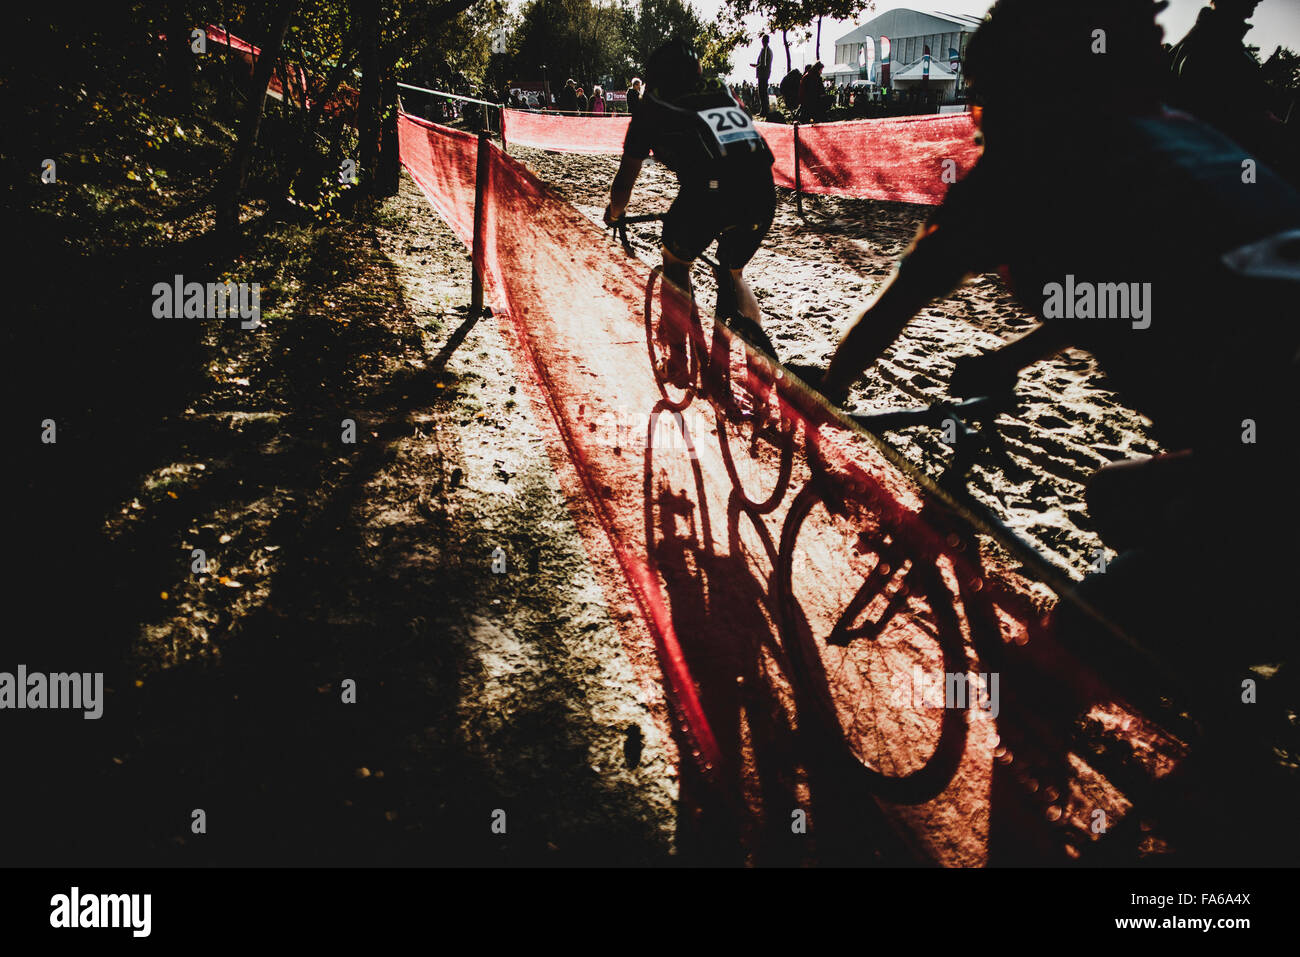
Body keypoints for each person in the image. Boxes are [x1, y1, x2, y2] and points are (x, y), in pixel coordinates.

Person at [811, 0, 1300, 657]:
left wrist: (828, 390)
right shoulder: (1172, 136)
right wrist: (1012, 359)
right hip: (1260, 432)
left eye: (983, 99)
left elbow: (898, 305)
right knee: (1117, 501)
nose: (978, 119)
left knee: (1067, 647)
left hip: (1268, 453)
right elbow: (1127, 293)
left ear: (1022, 87)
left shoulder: (1024, 168)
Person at [604, 39, 777, 388]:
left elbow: (625, 180)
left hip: (710, 191)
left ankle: (679, 360)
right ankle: (755, 359)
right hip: (762, 187)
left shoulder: (651, 105)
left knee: (675, 260)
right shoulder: (722, 88)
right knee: (733, 274)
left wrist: (614, 213)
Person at [1167, 0, 1298, 183]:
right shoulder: (1212, 41)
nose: (1259, 0)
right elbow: (1218, 108)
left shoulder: (1218, 37)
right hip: (1234, 163)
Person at [752, 33, 774, 116]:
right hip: (765, 74)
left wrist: (755, 65)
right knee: (763, 92)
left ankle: (764, 111)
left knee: (762, 92)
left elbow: (763, 64)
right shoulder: (768, 50)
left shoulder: (765, 50)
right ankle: (764, 110)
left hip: (763, 74)